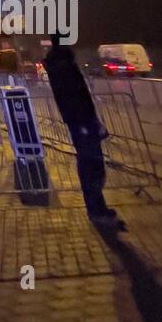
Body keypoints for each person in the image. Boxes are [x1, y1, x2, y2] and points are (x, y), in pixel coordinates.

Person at [43, 37, 124, 228]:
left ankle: (97, 206)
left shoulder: (61, 62)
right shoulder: (63, 64)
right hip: (81, 119)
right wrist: (88, 121)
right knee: (91, 164)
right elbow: (76, 95)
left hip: (81, 119)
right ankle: (96, 209)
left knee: (91, 163)